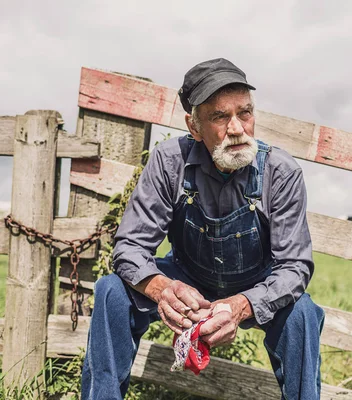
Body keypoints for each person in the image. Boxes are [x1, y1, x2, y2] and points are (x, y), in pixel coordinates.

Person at [81, 58, 325, 400]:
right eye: (220, 117)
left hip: (254, 284)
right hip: (185, 276)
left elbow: (295, 267)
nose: (237, 128)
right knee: (112, 292)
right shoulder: (169, 162)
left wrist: (241, 306)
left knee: (302, 313)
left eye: (245, 113)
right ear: (194, 127)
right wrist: (162, 289)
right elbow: (130, 248)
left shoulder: (279, 172)